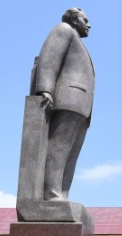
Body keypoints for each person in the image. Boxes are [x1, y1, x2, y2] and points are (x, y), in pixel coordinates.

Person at [33, 7, 95, 201]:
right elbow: (49, 59)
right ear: (74, 20)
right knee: (59, 147)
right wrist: (45, 89)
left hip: (81, 105)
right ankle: (51, 193)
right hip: (68, 99)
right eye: (85, 20)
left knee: (71, 154)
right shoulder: (64, 30)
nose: (89, 24)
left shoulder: (77, 41)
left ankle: (62, 194)